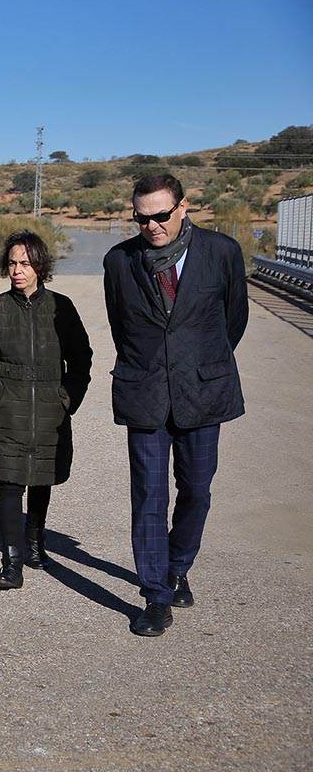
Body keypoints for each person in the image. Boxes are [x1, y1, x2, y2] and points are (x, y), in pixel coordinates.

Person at [103, 173, 247, 637]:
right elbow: (120, 326)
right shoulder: (119, 261)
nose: (152, 226)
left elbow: (232, 321)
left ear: (184, 207)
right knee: (148, 496)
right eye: (142, 218)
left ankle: (177, 566)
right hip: (145, 392)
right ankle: (155, 596)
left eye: (161, 215)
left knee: (197, 490)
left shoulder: (221, 253)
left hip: (202, 391)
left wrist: (197, 364)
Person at [0, 231, 92, 589]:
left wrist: (67, 399)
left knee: (42, 479)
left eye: (25, 263)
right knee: (10, 483)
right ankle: (11, 562)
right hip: (8, 408)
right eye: (12, 263)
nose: (17, 270)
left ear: (40, 266)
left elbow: (81, 358)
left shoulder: (62, 307)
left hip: (51, 409)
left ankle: (36, 542)